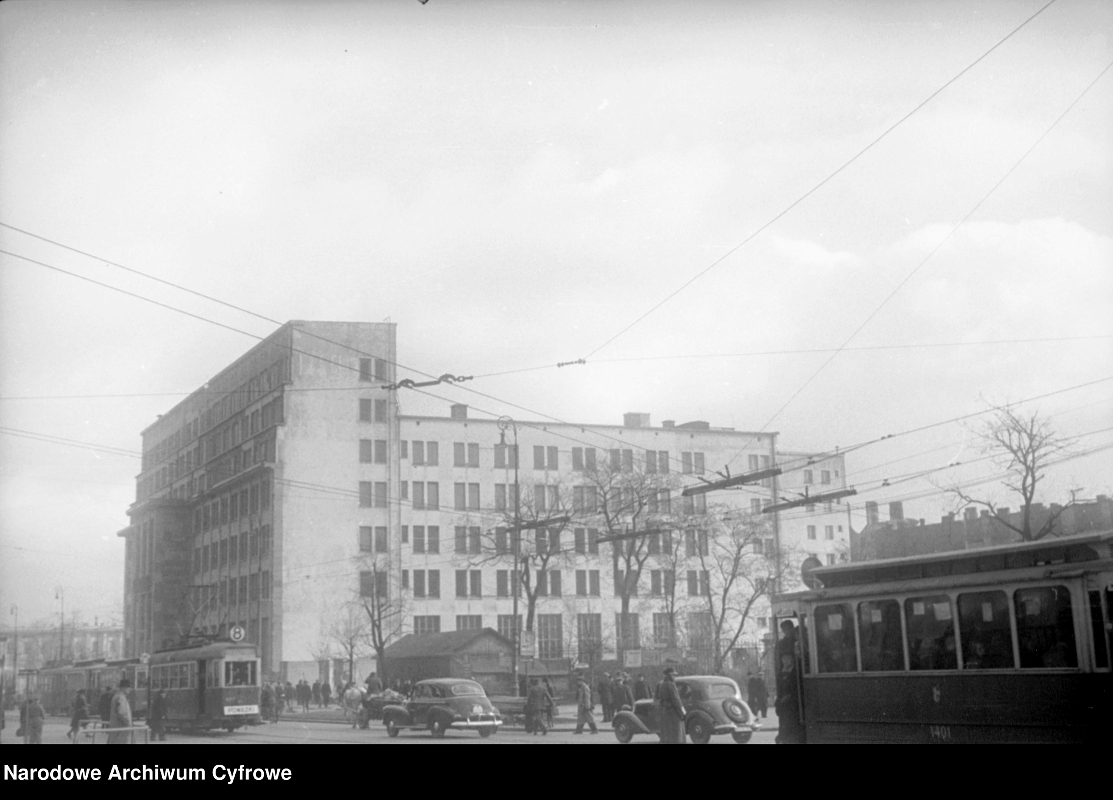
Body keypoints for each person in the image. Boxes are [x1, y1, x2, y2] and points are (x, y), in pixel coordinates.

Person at [775, 620, 804, 744]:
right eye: (784, 630)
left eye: (788, 629)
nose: (787, 632)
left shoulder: (797, 641)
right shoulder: (782, 644)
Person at [657, 668, 685, 744]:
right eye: (673, 675)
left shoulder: (662, 684)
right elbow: (676, 700)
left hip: (665, 712)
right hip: (674, 712)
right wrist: (683, 711)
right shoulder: (671, 684)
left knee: (667, 733)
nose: (674, 677)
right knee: (676, 734)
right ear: (669, 675)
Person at [107, 678, 134, 744]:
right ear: (123, 688)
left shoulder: (116, 696)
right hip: (121, 730)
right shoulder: (121, 697)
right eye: (128, 688)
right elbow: (121, 713)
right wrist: (128, 726)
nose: (129, 690)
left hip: (115, 728)